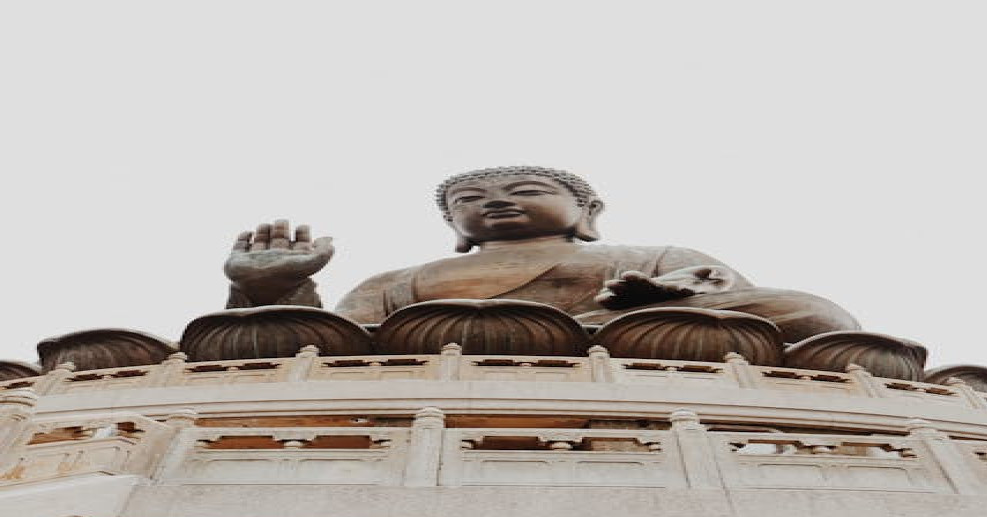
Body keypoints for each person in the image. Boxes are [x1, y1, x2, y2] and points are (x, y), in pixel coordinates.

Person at [224, 166, 859, 342]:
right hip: (430, 351)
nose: (495, 203)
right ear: (454, 223)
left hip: (631, 338)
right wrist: (271, 291)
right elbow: (331, 339)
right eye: (470, 200)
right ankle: (582, 333)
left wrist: (669, 296)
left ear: (586, 213)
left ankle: (598, 329)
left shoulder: (655, 252)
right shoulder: (402, 277)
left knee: (812, 310)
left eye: (525, 191)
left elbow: (738, 301)